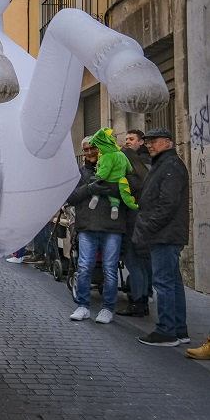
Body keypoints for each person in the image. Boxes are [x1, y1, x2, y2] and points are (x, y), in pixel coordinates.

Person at [134, 128, 190, 347]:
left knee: (164, 282)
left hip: (164, 234)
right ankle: (178, 330)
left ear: (167, 142)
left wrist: (149, 226)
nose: (149, 145)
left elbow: (168, 203)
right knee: (173, 282)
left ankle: (167, 331)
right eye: (147, 141)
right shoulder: (165, 164)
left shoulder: (170, 166)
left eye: (154, 141)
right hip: (166, 233)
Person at [67, 136, 126, 325]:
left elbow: (129, 193)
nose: (89, 152)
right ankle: (83, 305)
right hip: (87, 227)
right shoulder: (79, 174)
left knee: (110, 269)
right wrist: (90, 188)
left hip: (112, 228)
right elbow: (71, 197)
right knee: (84, 267)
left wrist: (112, 189)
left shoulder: (117, 166)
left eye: (93, 148)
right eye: (85, 149)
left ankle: (108, 308)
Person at [115, 147, 151, 317]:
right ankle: (143, 300)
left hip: (132, 225)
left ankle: (137, 302)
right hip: (143, 225)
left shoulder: (128, 179)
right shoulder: (144, 175)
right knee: (141, 265)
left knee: (133, 264)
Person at [87, 128, 137, 221]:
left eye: (95, 147)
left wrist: (98, 177)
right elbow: (129, 167)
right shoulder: (121, 154)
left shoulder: (107, 156)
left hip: (108, 180)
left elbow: (105, 171)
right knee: (115, 199)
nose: (90, 152)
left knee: (99, 187)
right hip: (121, 180)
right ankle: (115, 207)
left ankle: (95, 198)